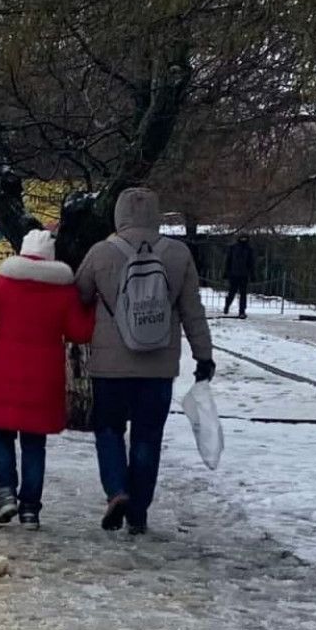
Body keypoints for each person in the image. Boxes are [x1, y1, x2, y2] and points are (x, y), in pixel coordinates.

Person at [76, 187, 215, 536]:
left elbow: (79, 295)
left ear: (119, 214)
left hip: (109, 366)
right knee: (147, 437)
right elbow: (192, 312)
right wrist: (204, 355)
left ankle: (117, 491)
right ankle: (139, 512)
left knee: (108, 430)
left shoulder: (101, 252)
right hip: (158, 367)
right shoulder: (178, 254)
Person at [0, 229, 94, 530]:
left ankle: (5, 494)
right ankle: (30, 509)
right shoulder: (63, 290)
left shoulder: (2, 285)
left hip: (3, 376)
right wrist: (91, 305)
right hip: (45, 380)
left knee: (1, 436)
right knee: (34, 443)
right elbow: (80, 332)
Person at [223, 234, 255, 318]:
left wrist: (252, 274)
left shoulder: (249, 249)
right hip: (234, 274)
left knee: (243, 294)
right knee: (232, 293)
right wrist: (226, 273)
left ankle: (242, 311)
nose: (243, 239)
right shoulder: (233, 248)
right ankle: (227, 305)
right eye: (242, 238)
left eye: (245, 238)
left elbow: (251, 263)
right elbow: (228, 261)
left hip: (244, 275)